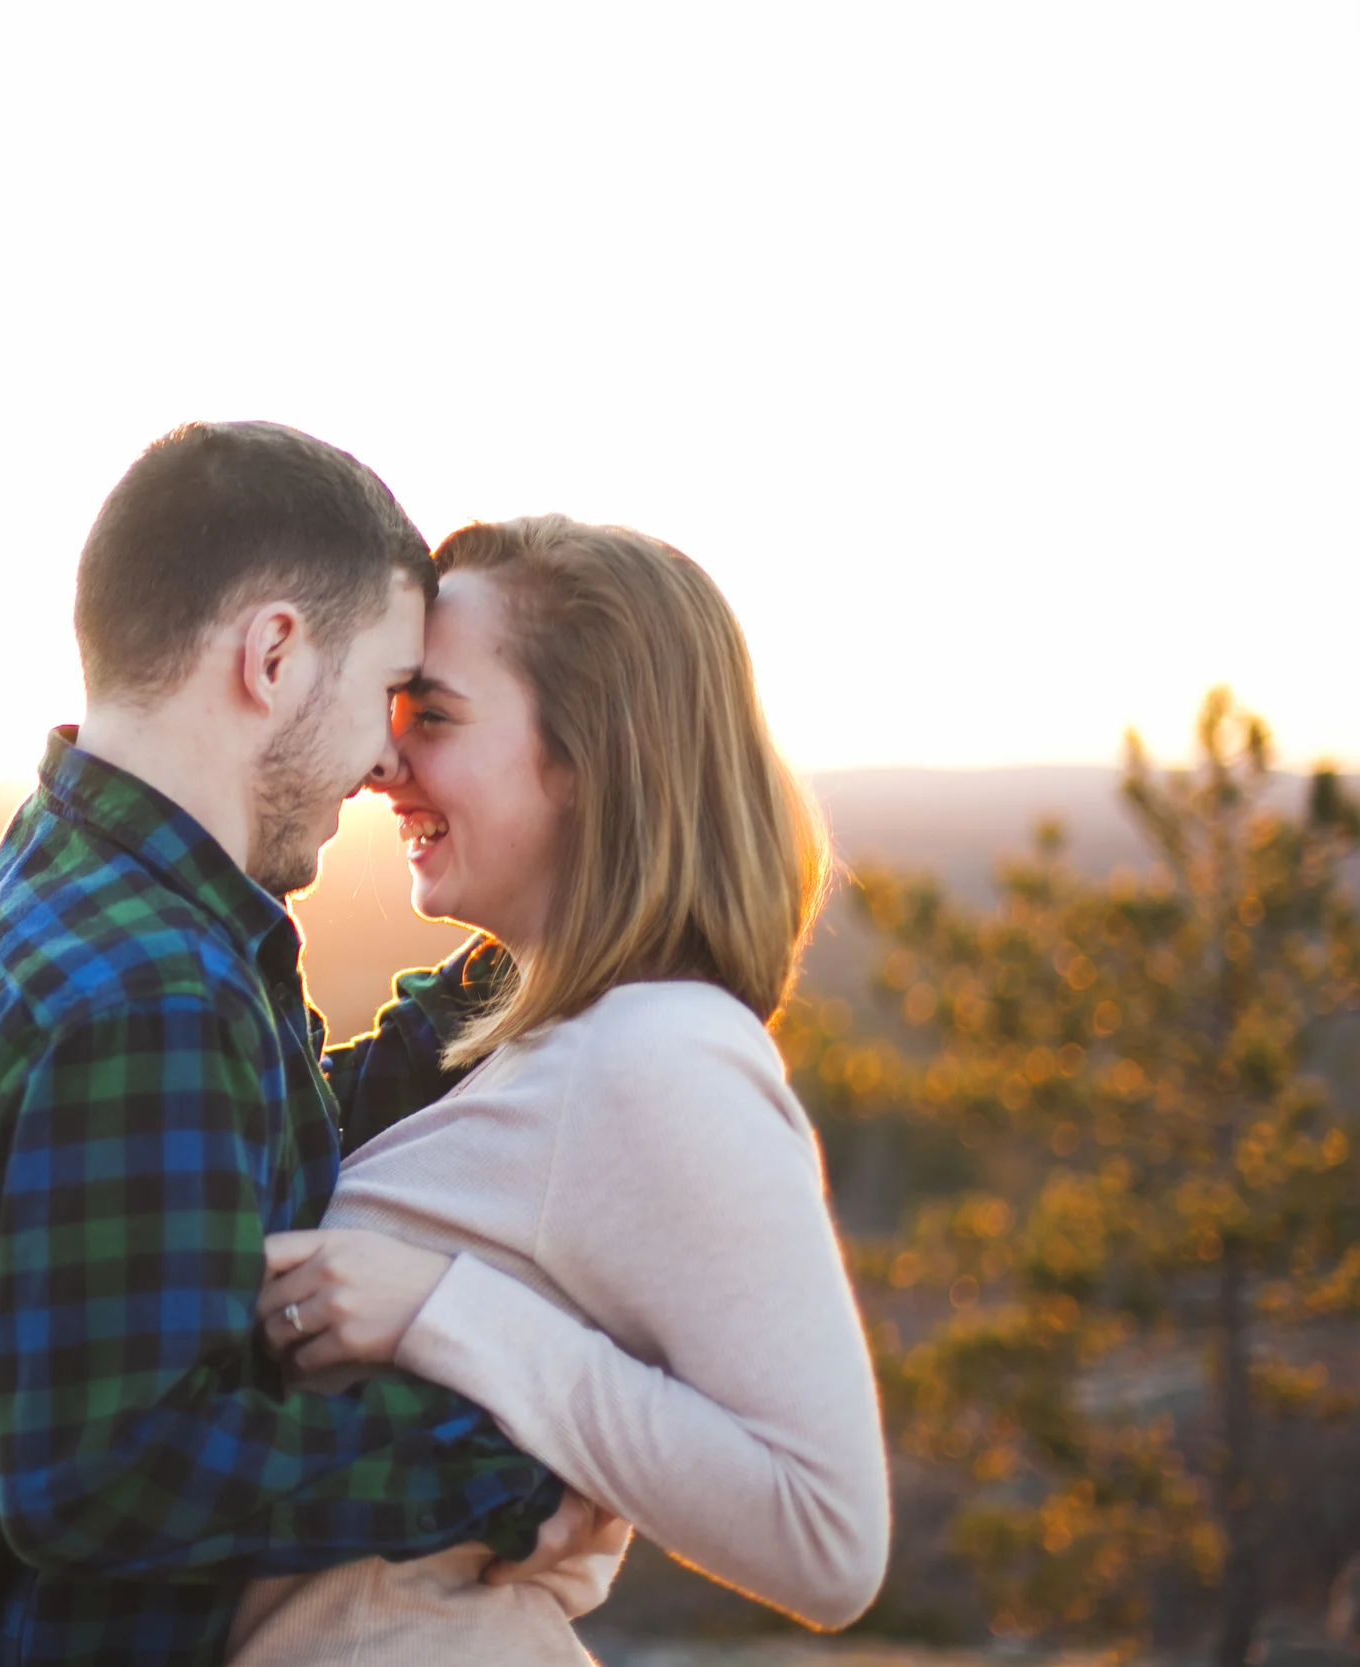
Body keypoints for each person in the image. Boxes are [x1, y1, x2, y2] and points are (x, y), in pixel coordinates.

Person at [0, 426, 601, 1667]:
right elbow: (115, 1473)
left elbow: (243, 1151)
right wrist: (498, 1468)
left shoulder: (84, 880)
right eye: (388, 689)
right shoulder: (150, 993)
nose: (387, 757)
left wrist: (544, 948)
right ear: (273, 654)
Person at [229, 515, 891, 1664]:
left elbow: (827, 1534)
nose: (385, 764)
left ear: (590, 757)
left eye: (433, 715)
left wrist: (445, 1310)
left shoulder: (660, 1054)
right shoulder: (532, 1037)